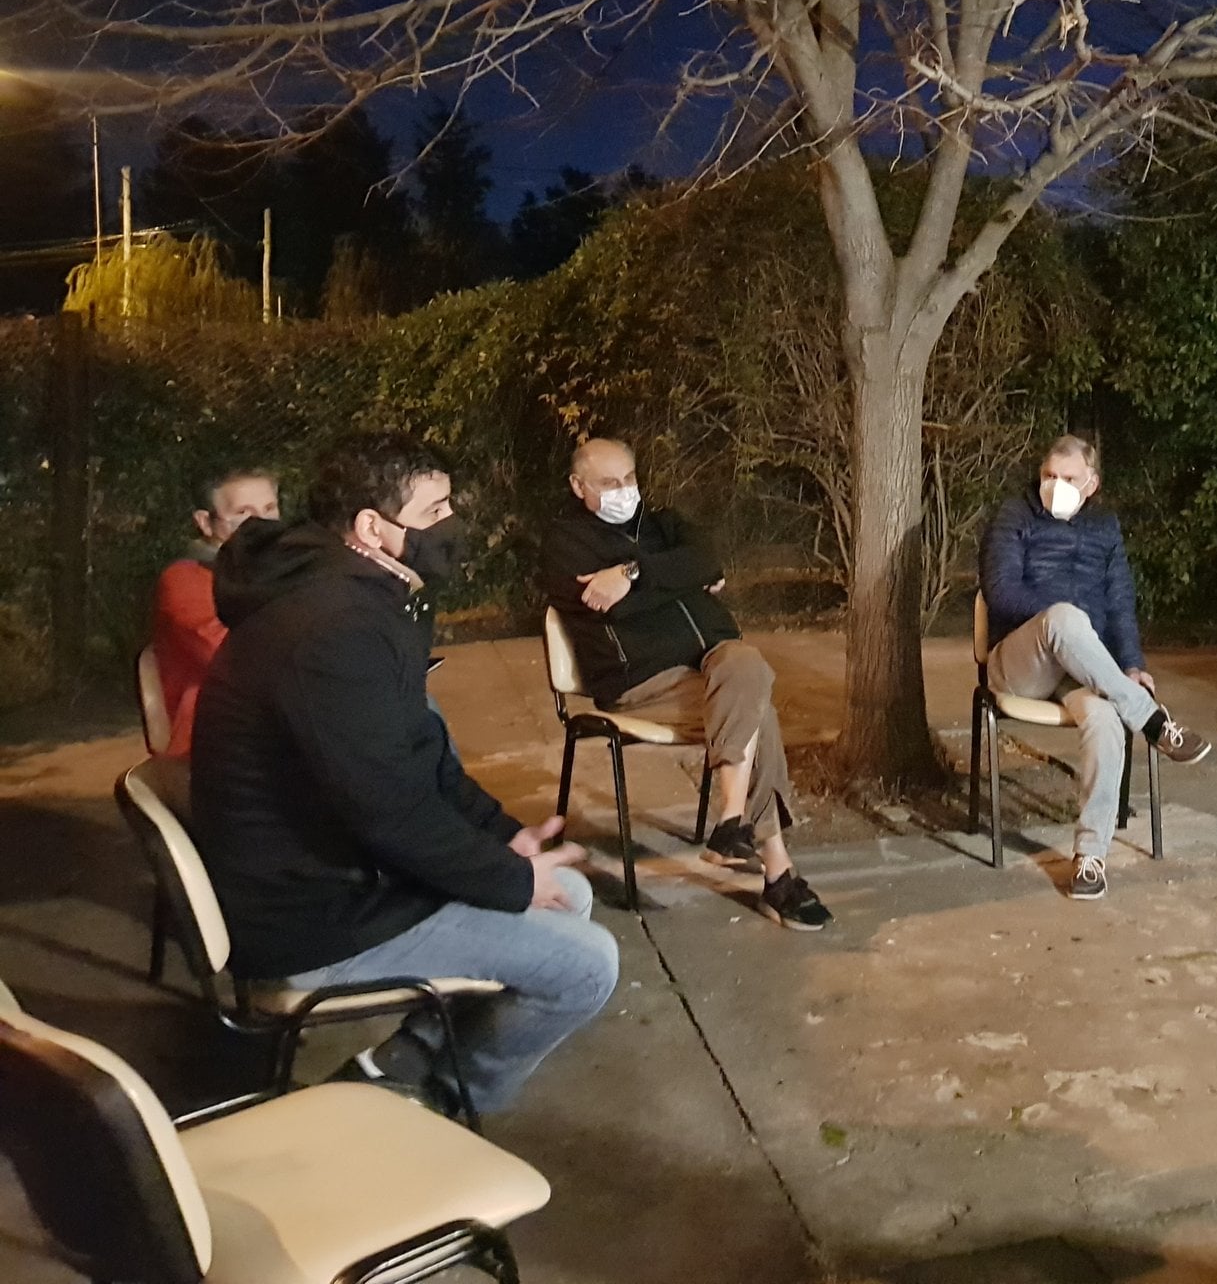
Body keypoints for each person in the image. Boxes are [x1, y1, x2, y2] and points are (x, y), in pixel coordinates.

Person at [191, 432, 617, 1116]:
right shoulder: (334, 629)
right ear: (371, 527)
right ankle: (437, 1109)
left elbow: (421, 753)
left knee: (567, 893)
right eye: (435, 511)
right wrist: (506, 877)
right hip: (309, 915)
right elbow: (387, 809)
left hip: (333, 872)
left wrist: (503, 837)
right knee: (588, 965)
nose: (452, 525)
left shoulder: (351, 597)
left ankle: (393, 1070)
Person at [539, 438, 831, 931]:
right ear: (578, 485)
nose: (624, 490)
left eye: (629, 479)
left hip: (714, 664)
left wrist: (632, 573)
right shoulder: (565, 543)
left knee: (746, 662)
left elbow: (709, 557)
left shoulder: (664, 523)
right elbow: (618, 606)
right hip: (642, 682)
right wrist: (681, 577)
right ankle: (775, 869)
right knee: (758, 708)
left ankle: (732, 820)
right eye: (609, 483)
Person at [978, 433, 1210, 902]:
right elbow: (1000, 592)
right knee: (1066, 618)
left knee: (1105, 718)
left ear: (1092, 484)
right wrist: (1064, 619)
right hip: (1021, 661)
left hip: (1081, 666)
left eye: (1068, 478)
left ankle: (1090, 856)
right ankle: (1152, 720)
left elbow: (1120, 602)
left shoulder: (1105, 527)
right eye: (1049, 475)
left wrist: (1131, 663)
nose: (1055, 485)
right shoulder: (1016, 515)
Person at [150, 467, 279, 758]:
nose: (262, 524)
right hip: (214, 745)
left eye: (270, 509)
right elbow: (236, 657)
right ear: (205, 522)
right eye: (243, 513)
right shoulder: (184, 580)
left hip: (273, 733)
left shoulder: (279, 570)